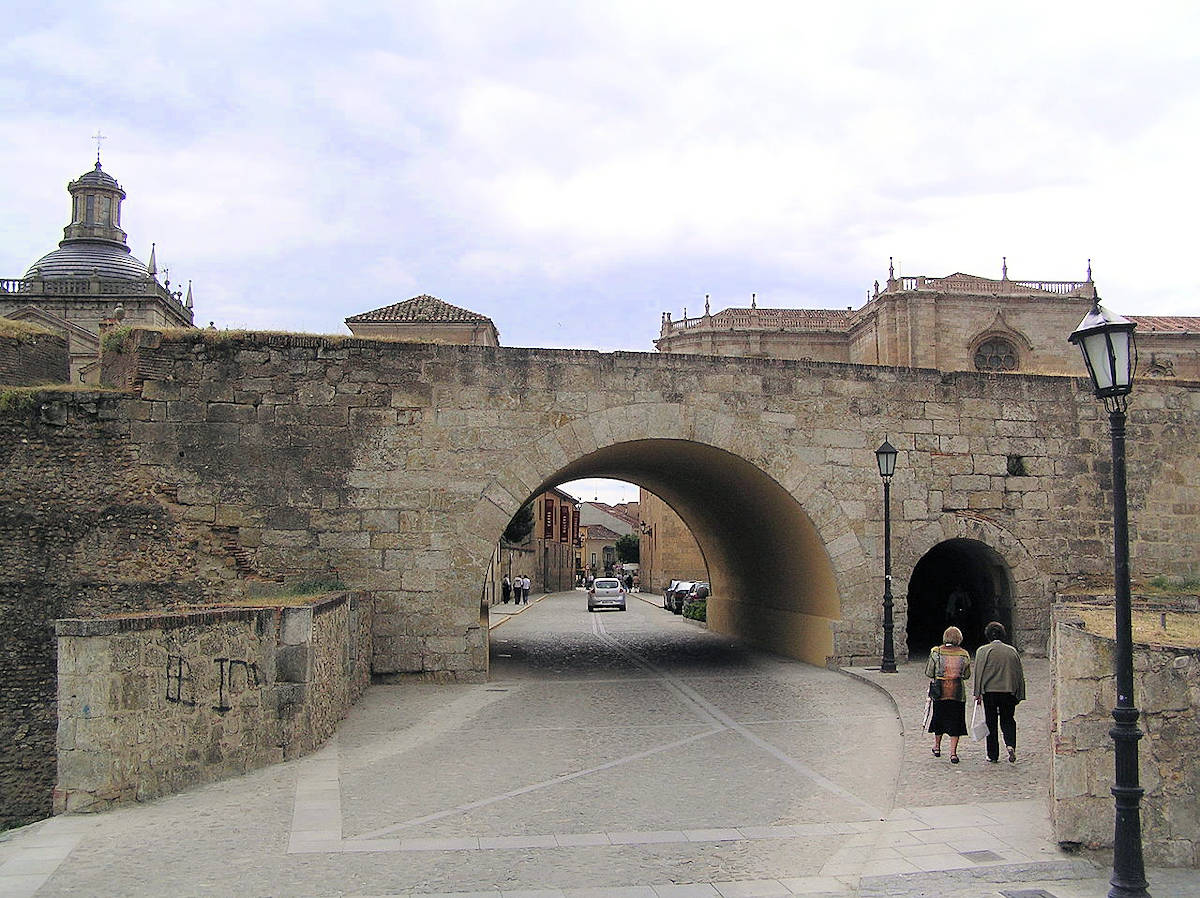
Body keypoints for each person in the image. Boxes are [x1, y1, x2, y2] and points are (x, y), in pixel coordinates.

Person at [973, 621, 1026, 763]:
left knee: (990, 722)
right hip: (1008, 691)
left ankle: (992, 754)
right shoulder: (1011, 651)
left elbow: (979, 673)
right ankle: (1010, 744)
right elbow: (1018, 673)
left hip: (989, 691)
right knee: (1008, 719)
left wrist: (977, 693)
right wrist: (1019, 692)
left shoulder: (982, 651)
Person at [926, 626, 971, 764]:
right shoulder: (964, 654)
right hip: (957, 692)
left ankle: (937, 746)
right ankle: (953, 753)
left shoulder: (936, 652)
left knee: (939, 718)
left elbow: (929, 672)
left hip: (940, 692)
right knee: (956, 721)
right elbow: (967, 675)